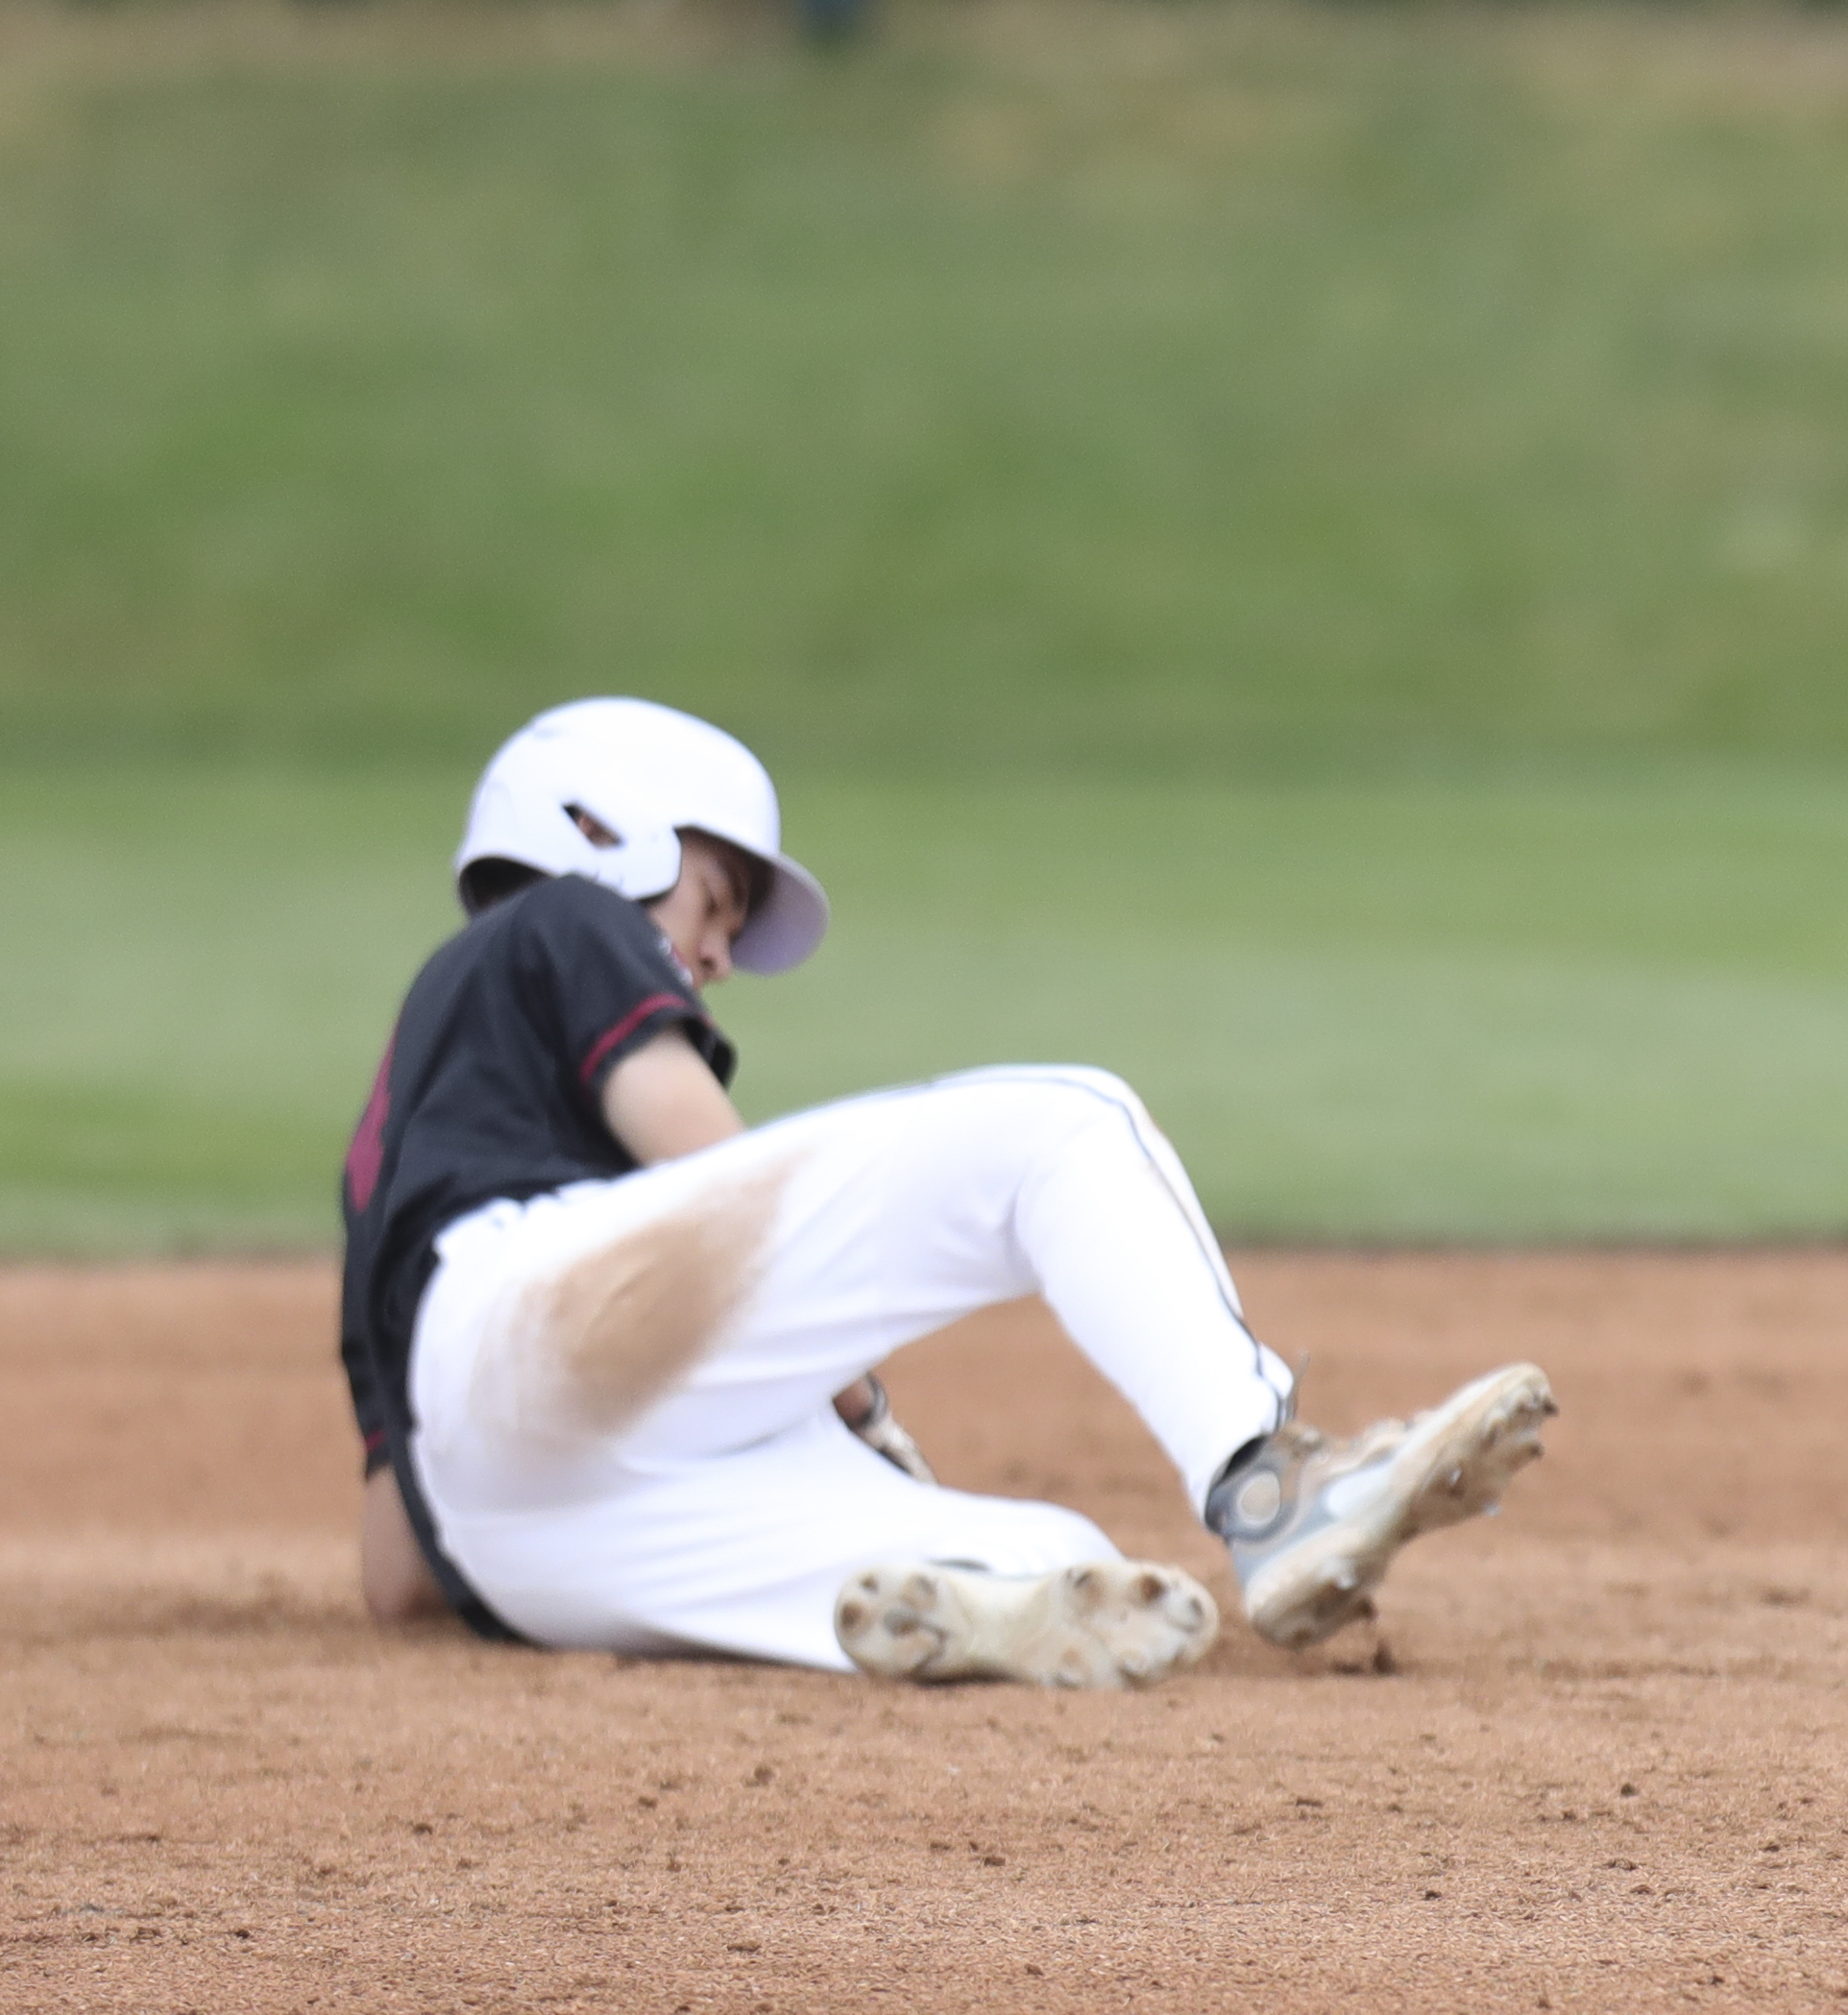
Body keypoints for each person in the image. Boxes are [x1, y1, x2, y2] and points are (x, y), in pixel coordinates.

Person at [341, 695, 1555, 1687]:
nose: (714, 959)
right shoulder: (560, 917)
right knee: (1064, 1127)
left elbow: (395, 1577)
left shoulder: (386, 1165)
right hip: (536, 1320)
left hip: (509, 1536)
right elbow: (700, 1165)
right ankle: (1267, 1484)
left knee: (1059, 1567)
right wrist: (857, 1398)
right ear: (604, 832)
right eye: (714, 904)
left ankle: (969, 1619)